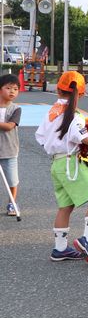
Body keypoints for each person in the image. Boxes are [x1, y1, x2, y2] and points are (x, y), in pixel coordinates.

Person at [35, 71, 88, 265]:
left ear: (58, 89)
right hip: (70, 163)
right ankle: (87, 240)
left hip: (57, 163)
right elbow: (81, 137)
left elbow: (40, 137)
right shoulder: (74, 115)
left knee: (65, 207)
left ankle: (60, 249)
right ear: (81, 94)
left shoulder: (51, 112)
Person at [0, 74, 21, 216]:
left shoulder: (16, 109)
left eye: (15, 89)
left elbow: (9, 126)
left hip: (9, 150)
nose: (12, 91)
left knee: (12, 180)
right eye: (8, 88)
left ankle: (12, 203)